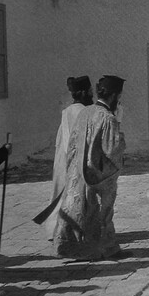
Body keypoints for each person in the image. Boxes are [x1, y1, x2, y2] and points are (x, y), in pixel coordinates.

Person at [53, 75, 127, 260]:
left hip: (78, 171)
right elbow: (112, 151)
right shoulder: (108, 118)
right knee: (102, 213)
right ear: (113, 96)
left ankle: (74, 248)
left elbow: (72, 143)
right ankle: (107, 249)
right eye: (119, 96)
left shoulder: (86, 112)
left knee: (83, 212)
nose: (119, 100)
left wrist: (73, 169)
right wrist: (121, 140)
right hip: (99, 174)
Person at [34, 76, 94, 239]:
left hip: (63, 159)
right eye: (89, 91)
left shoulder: (68, 110)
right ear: (82, 92)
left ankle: (55, 229)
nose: (92, 94)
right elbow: (78, 140)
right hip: (73, 160)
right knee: (72, 195)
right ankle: (65, 231)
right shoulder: (81, 111)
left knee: (60, 193)